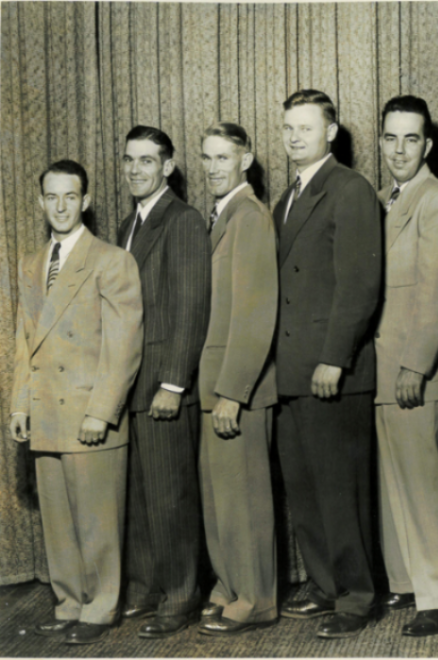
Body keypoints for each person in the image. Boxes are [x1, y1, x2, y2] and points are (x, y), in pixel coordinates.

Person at [10, 160, 143, 645]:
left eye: (71, 196)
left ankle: (100, 606)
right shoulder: (30, 262)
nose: (61, 206)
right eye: (52, 197)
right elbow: (28, 341)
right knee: (60, 521)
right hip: (46, 409)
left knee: (96, 519)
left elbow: (124, 344)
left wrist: (101, 411)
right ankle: (68, 601)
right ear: (42, 201)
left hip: (89, 413)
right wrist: (20, 404)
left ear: (86, 200)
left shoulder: (111, 260)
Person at [273, 90, 382, 639]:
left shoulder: (350, 189)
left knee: (341, 493)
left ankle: (357, 596)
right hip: (291, 371)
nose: (294, 137)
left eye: (306, 128)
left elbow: (360, 286)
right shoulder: (286, 198)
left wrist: (334, 359)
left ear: (331, 132)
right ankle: (323, 585)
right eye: (288, 127)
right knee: (307, 491)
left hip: (331, 370)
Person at [374, 95, 438, 637]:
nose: (400, 149)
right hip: (386, 369)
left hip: (417, 371)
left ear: (428, 145)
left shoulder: (437, 201)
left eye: (412, 138)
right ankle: (410, 582)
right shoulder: (387, 199)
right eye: (391, 138)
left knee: (425, 484)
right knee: (398, 483)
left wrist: (416, 364)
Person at [118, 126, 211, 638]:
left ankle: (181, 594)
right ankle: (151, 587)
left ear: (169, 166)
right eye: (130, 160)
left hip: (163, 385)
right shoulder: (128, 224)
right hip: (131, 384)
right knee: (143, 494)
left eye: (147, 161)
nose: (136, 169)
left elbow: (191, 306)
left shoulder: (184, 220)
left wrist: (174, 383)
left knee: (171, 494)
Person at [195, 122, 279, 637]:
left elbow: (254, 311)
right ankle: (229, 586)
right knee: (219, 496)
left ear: (245, 161)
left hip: (237, 387)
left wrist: (232, 391)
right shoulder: (222, 215)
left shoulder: (249, 216)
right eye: (206, 158)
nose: (212, 167)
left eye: (223, 158)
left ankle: (257, 598)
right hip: (215, 383)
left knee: (244, 499)